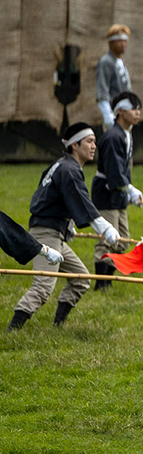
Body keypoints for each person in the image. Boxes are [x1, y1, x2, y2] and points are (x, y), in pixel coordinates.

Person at [8, 123, 120, 331]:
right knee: (43, 287)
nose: (94, 146)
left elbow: (52, 199)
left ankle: (57, 326)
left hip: (54, 232)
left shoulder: (60, 165)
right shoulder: (69, 169)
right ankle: (12, 330)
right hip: (47, 235)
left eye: (95, 141)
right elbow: (81, 200)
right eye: (89, 141)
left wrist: (67, 225)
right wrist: (105, 228)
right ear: (75, 145)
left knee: (81, 279)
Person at [90, 91, 143, 289]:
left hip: (118, 191)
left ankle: (109, 279)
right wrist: (129, 188)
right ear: (120, 111)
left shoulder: (126, 133)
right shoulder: (113, 136)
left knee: (122, 239)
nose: (138, 113)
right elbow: (113, 170)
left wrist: (127, 190)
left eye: (139, 109)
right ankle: (101, 284)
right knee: (107, 238)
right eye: (133, 109)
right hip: (106, 191)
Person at [95, 24, 132, 131]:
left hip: (125, 113)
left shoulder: (120, 61)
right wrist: (108, 115)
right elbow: (102, 90)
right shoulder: (106, 62)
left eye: (125, 40)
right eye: (119, 41)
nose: (123, 44)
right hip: (114, 113)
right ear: (110, 43)